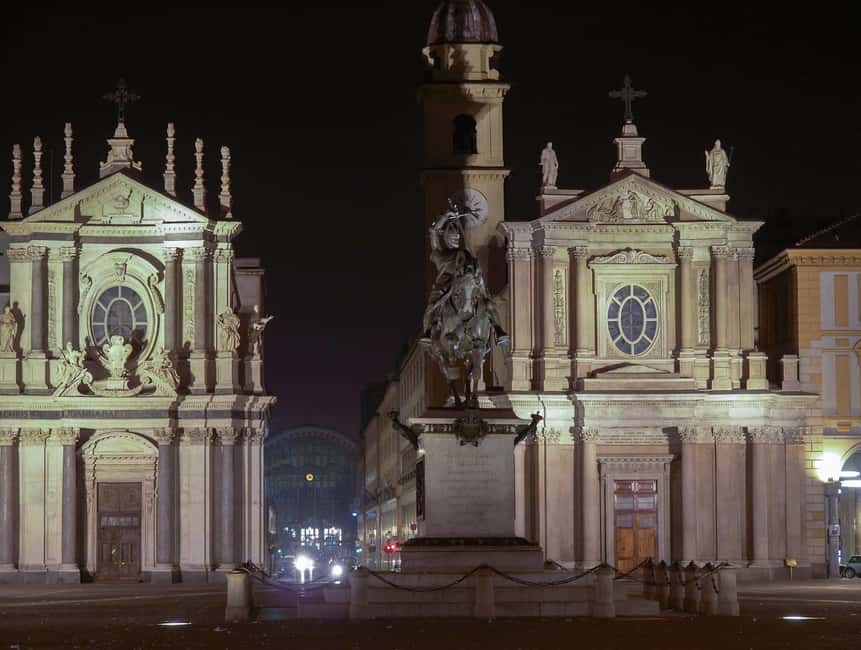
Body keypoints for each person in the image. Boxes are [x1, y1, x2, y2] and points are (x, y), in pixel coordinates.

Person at [421, 202, 508, 345]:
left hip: (470, 284)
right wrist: (446, 217)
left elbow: (475, 269)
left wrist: (477, 279)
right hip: (444, 287)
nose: (456, 240)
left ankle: (498, 330)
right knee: (432, 306)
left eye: (457, 238)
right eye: (452, 238)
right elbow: (433, 232)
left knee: (488, 304)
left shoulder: (466, 254)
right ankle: (428, 331)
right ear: (446, 238)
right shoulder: (440, 253)